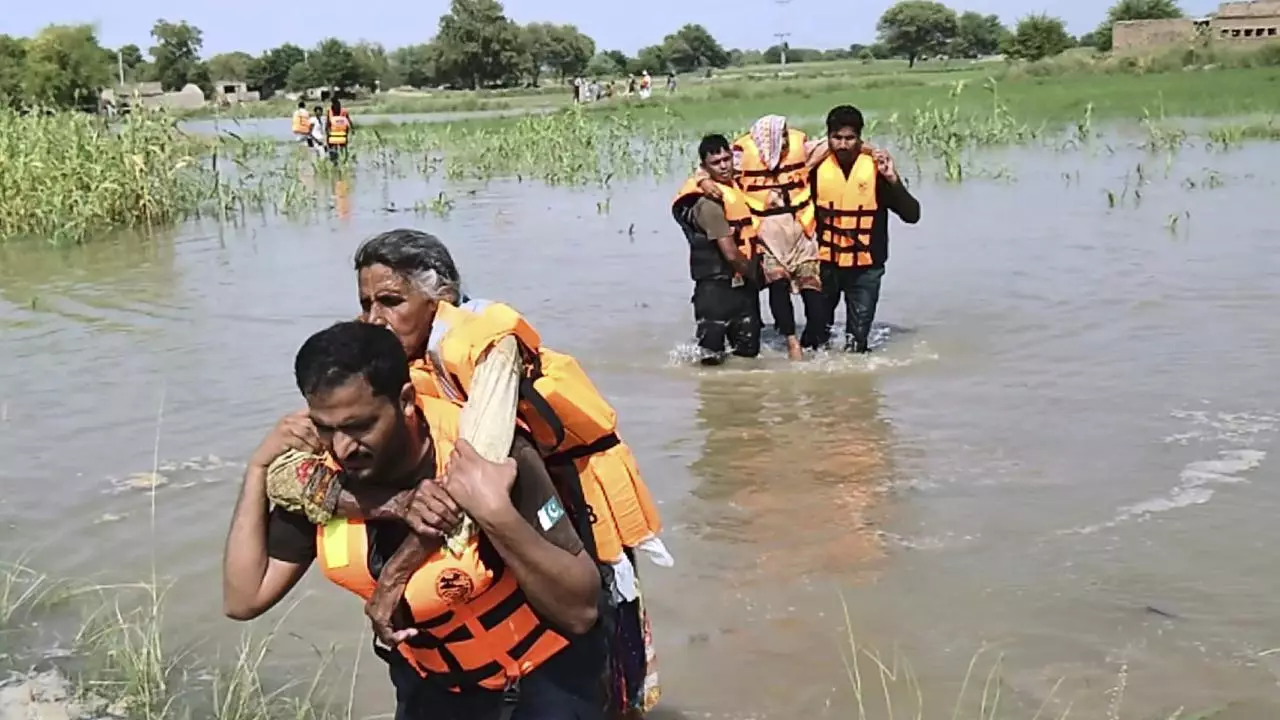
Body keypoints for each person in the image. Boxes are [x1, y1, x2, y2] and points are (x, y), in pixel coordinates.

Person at [265, 229, 667, 717]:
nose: (375, 318)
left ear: (443, 298)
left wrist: (394, 576)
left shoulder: (488, 348)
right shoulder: (381, 378)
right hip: (448, 661)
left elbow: (469, 480)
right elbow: (288, 475)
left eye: (392, 301)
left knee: (603, 659)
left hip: (557, 522)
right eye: (367, 302)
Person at [224, 321, 606, 720]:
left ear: (406, 401)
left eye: (359, 426)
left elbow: (580, 611)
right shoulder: (323, 483)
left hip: (542, 682)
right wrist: (257, 469)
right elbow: (244, 598)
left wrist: (496, 515)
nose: (342, 447)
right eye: (326, 428)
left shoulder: (489, 457)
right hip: (432, 691)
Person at [696, 116, 834, 358]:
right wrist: (703, 181)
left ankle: (815, 341)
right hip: (767, 234)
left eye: (783, 137)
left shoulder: (800, 150)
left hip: (799, 230)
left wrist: (874, 152)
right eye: (775, 138)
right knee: (778, 288)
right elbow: (704, 169)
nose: (780, 143)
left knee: (813, 292)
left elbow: (833, 143)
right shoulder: (741, 158)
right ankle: (792, 343)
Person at [812, 105, 920, 353]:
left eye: (849, 138)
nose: (842, 145)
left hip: (865, 268)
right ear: (828, 137)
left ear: (860, 138)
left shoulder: (876, 170)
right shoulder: (816, 169)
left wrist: (893, 180)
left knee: (857, 341)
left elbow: (912, 215)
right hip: (825, 264)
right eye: (836, 138)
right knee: (817, 338)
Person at [672, 134, 763, 365]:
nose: (723, 166)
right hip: (715, 291)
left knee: (748, 360)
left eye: (726, 159)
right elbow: (731, 253)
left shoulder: (735, 188)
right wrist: (758, 276)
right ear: (704, 167)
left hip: (741, 290)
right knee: (711, 362)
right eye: (715, 162)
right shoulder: (709, 205)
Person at [326, 97, 353, 163]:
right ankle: (335, 161)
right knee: (333, 148)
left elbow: (348, 120)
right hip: (333, 132)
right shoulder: (330, 110)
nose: (337, 106)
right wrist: (327, 131)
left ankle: (344, 161)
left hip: (342, 132)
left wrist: (352, 129)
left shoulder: (344, 111)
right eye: (334, 104)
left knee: (343, 148)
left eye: (338, 104)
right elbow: (328, 122)